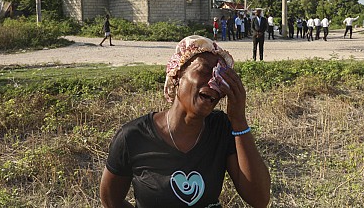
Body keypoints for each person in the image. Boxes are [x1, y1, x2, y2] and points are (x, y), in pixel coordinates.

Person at [99, 35, 271, 208]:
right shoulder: (133, 136)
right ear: (177, 75)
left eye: (220, 77)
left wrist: (239, 121)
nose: (213, 83)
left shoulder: (221, 128)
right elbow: (110, 200)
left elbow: (259, 199)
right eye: (204, 71)